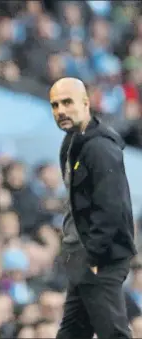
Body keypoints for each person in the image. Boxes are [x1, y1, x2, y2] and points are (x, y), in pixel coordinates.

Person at [50, 77, 137, 339]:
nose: (60, 110)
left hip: (101, 258)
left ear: (86, 103)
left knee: (113, 332)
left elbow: (112, 207)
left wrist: (96, 258)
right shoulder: (72, 143)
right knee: (73, 332)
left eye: (67, 102)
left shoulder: (99, 148)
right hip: (83, 256)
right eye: (54, 105)